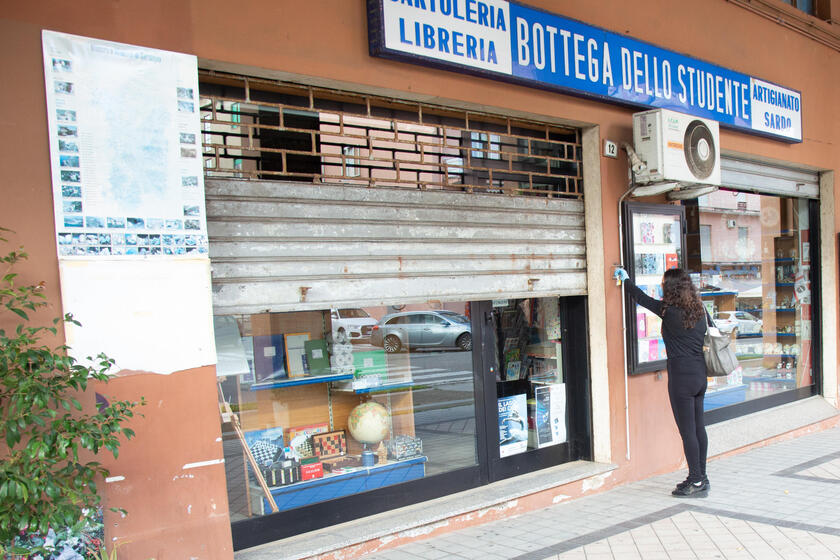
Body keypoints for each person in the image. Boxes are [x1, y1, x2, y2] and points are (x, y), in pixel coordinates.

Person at [615, 266, 710, 498]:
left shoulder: (668, 310)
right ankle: (701, 476)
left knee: (687, 431)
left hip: (681, 379)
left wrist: (625, 280)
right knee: (699, 427)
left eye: (663, 283)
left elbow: (640, 297)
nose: (660, 285)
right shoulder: (700, 309)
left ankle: (696, 481)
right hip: (700, 375)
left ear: (670, 288)